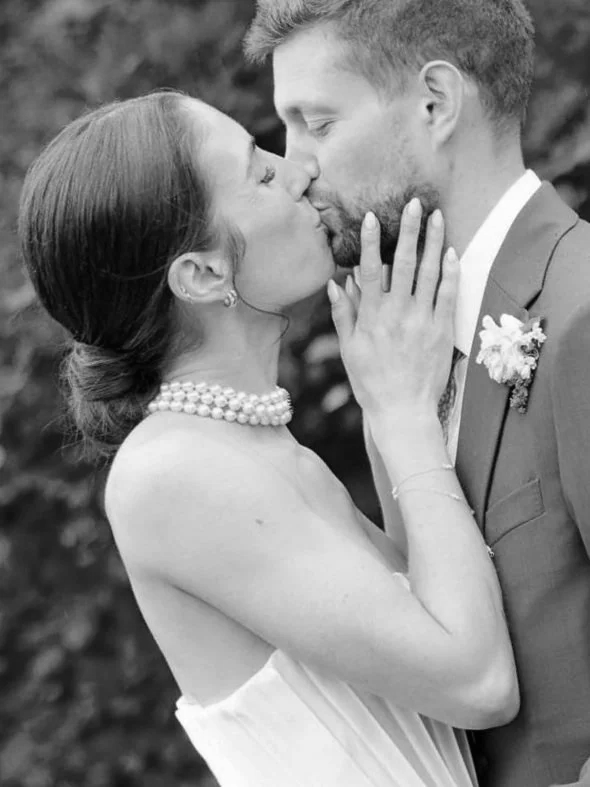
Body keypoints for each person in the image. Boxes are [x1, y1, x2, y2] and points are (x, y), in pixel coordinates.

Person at [18, 91, 518, 787]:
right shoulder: (171, 472)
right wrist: (402, 420)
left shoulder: (258, 451)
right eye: (260, 174)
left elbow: (442, 619)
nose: (300, 172)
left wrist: (389, 408)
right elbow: (479, 681)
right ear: (203, 274)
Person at [244, 0, 590, 785]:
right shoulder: (399, 363)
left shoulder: (581, 313)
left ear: (435, 103)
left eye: (318, 123)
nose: (295, 166)